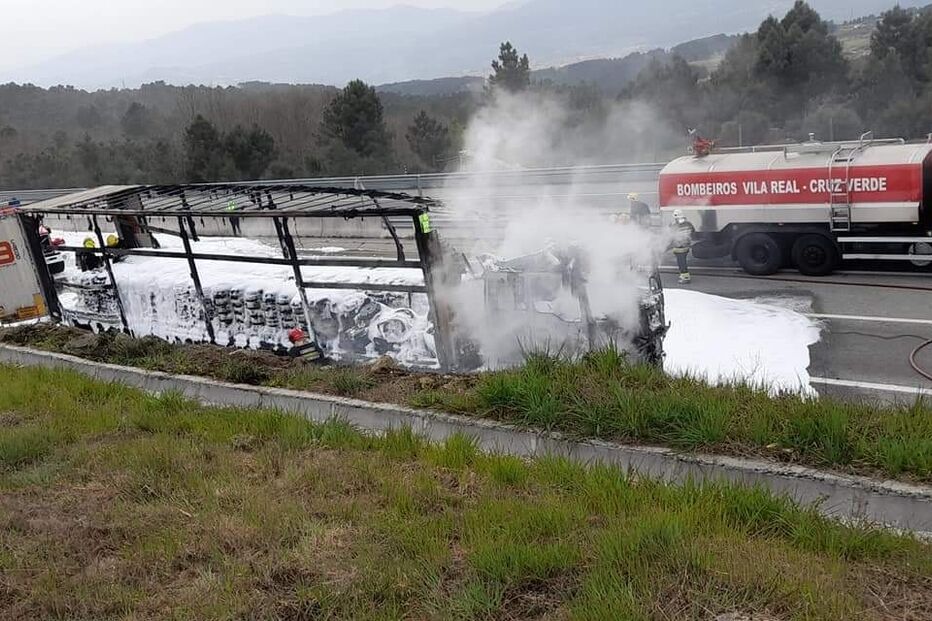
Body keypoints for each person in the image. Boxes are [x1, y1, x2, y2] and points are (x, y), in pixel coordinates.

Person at [671, 209, 695, 284]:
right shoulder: (688, 224)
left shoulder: (674, 225)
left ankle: (685, 277)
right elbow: (693, 232)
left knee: (681, 262)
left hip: (679, 247)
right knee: (683, 261)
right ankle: (684, 275)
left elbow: (671, 235)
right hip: (686, 245)